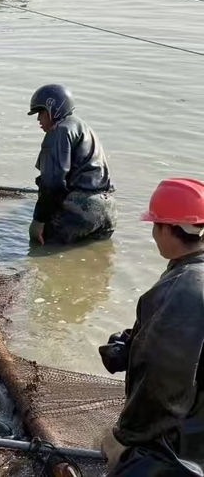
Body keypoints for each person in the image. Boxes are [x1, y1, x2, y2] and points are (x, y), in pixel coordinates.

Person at [99, 178, 204, 475]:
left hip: (180, 452)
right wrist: (131, 344)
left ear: (168, 228)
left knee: (113, 452)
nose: (154, 234)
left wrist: (126, 438)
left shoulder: (184, 288)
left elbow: (163, 385)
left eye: (155, 225)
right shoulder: (190, 274)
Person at [27, 84, 116, 245]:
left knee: (42, 250)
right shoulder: (84, 128)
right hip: (108, 210)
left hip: (81, 211)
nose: (38, 119)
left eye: (41, 112)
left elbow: (52, 184)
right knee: (94, 258)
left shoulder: (58, 131)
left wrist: (38, 221)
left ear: (53, 110)